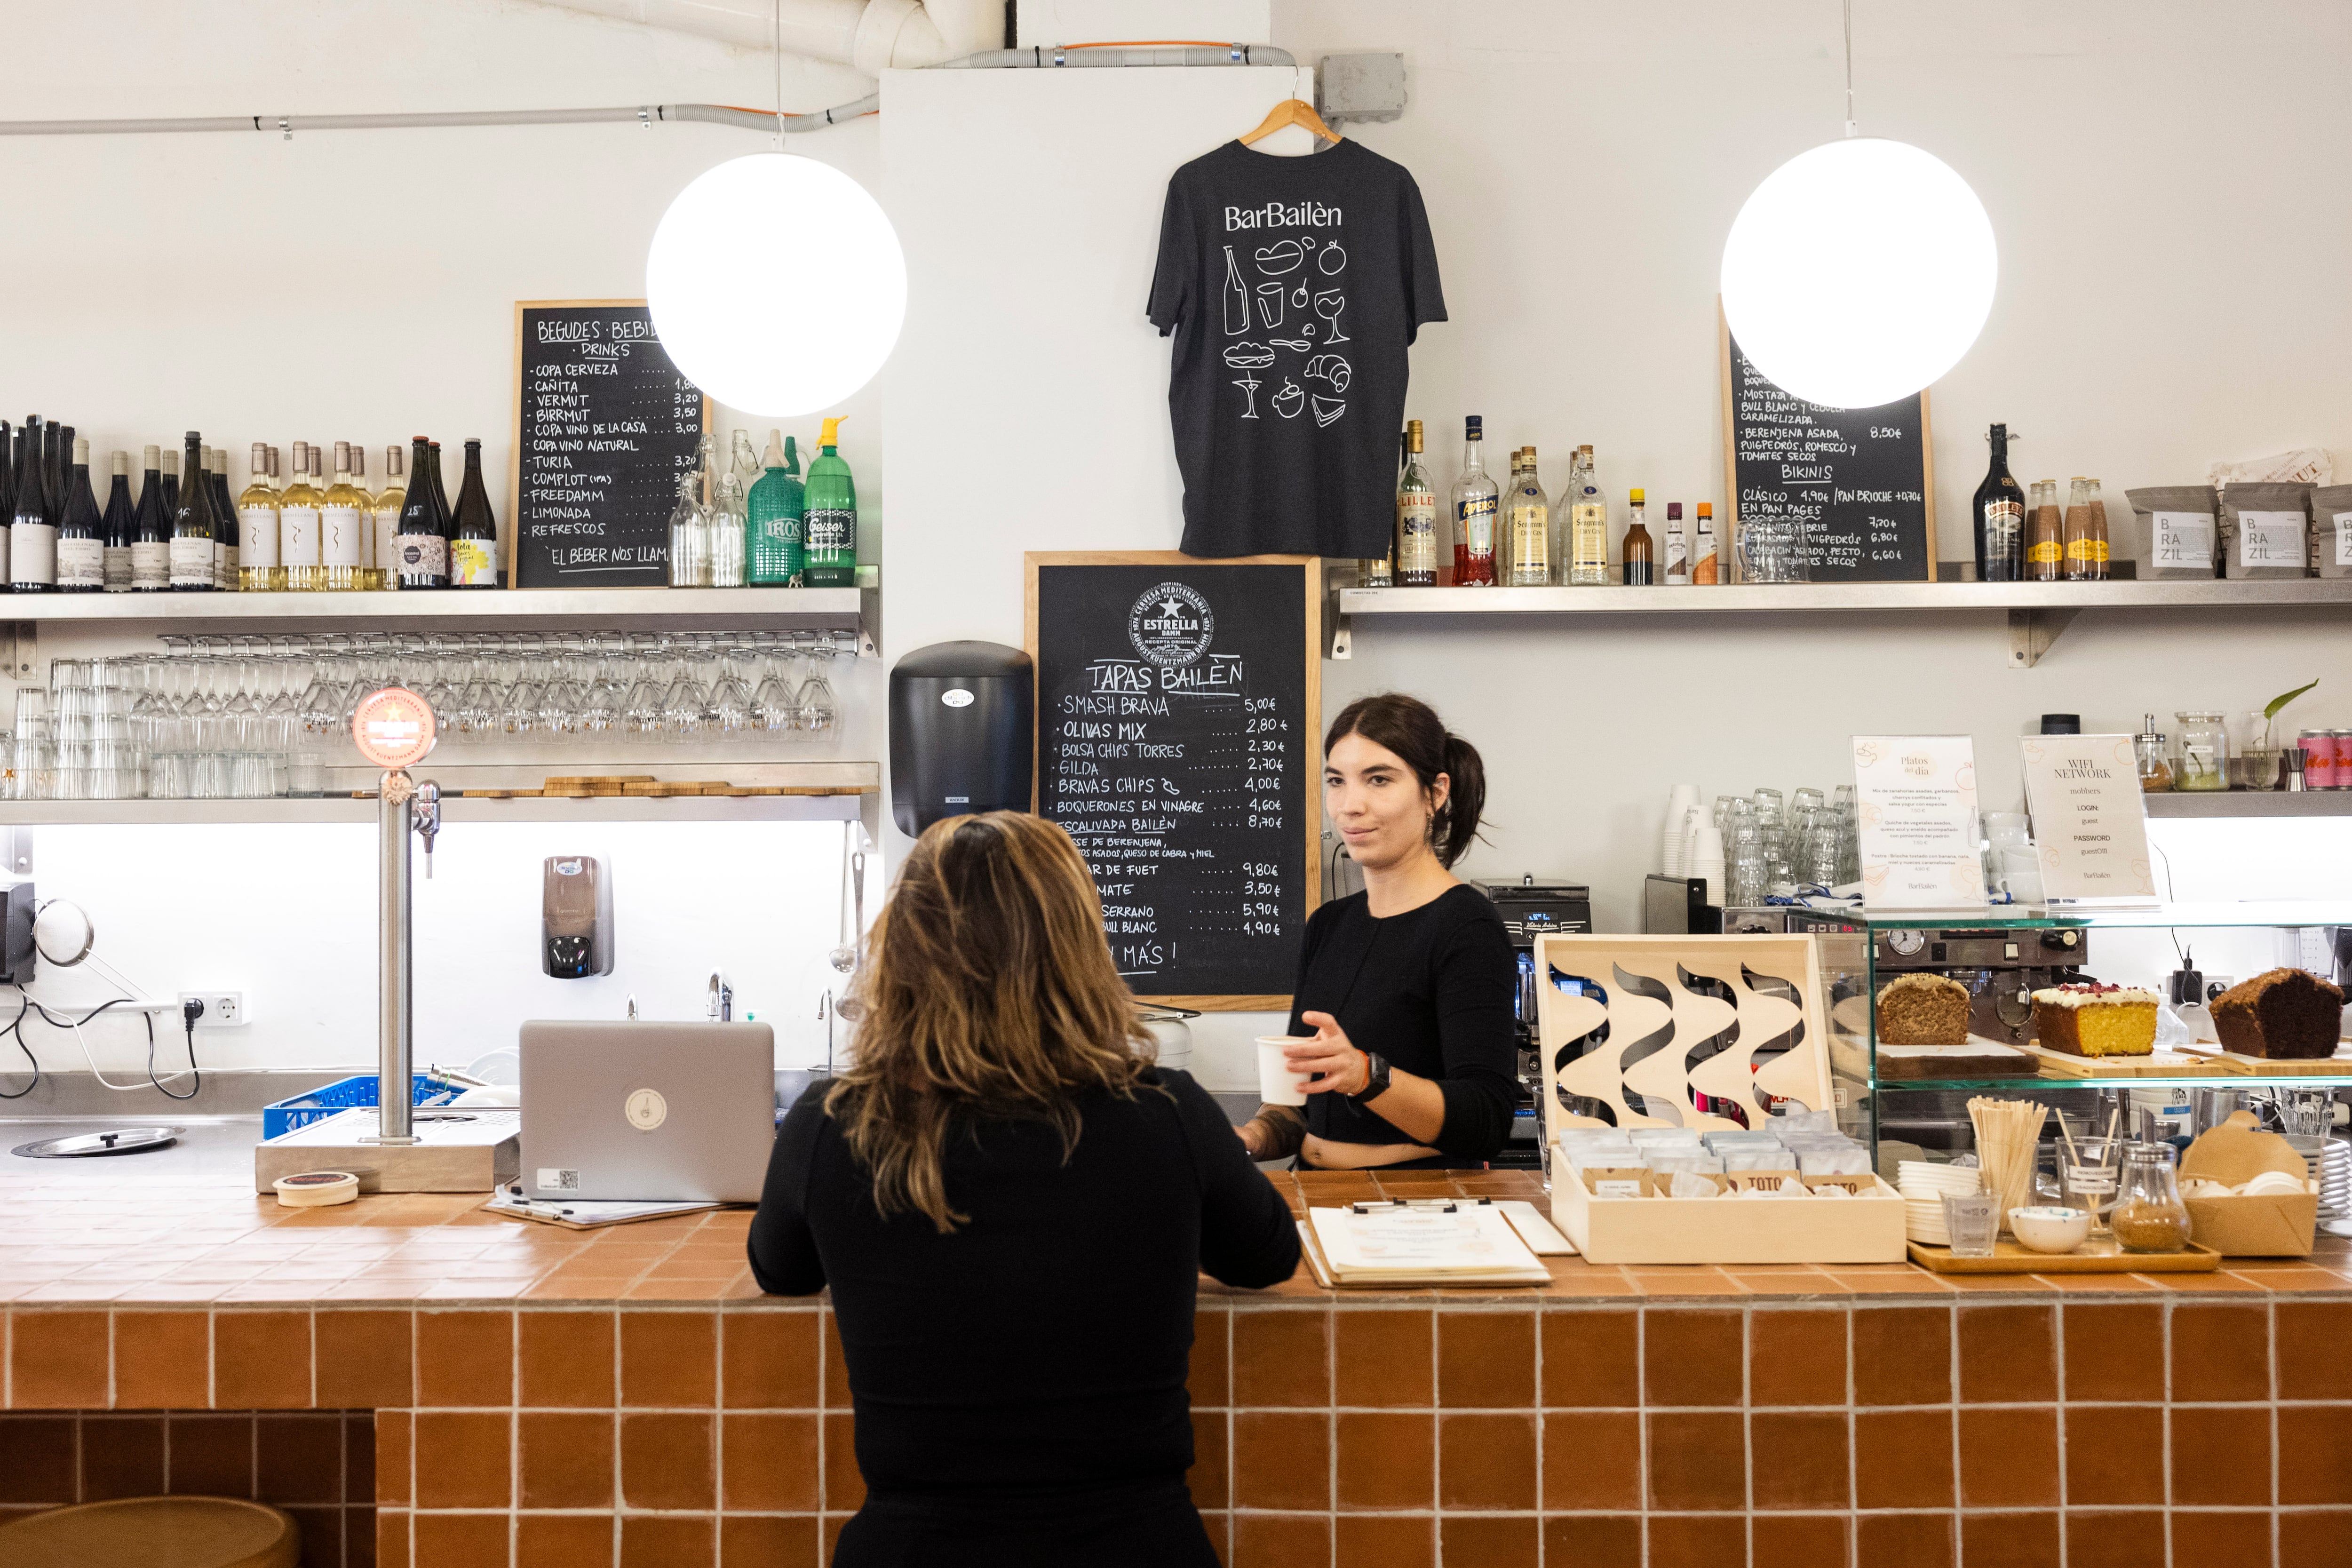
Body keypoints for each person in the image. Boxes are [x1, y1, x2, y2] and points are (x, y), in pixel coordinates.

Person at [748, 811, 1299, 1568]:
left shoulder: (835, 1121)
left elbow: (780, 1268)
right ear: (1078, 948)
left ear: (902, 951)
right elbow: (1268, 1256)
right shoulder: (1165, 1111)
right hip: (1136, 1542)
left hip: (914, 1546)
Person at [1237, 692, 1517, 1170]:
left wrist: (1367, 1076)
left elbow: (1486, 1121)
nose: (1349, 806)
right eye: (1336, 782)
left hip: (1417, 1202)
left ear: (1435, 792)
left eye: (1379, 780)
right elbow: (1296, 1105)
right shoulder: (1328, 925)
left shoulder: (1466, 927)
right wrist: (1246, 1138)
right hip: (1314, 1191)